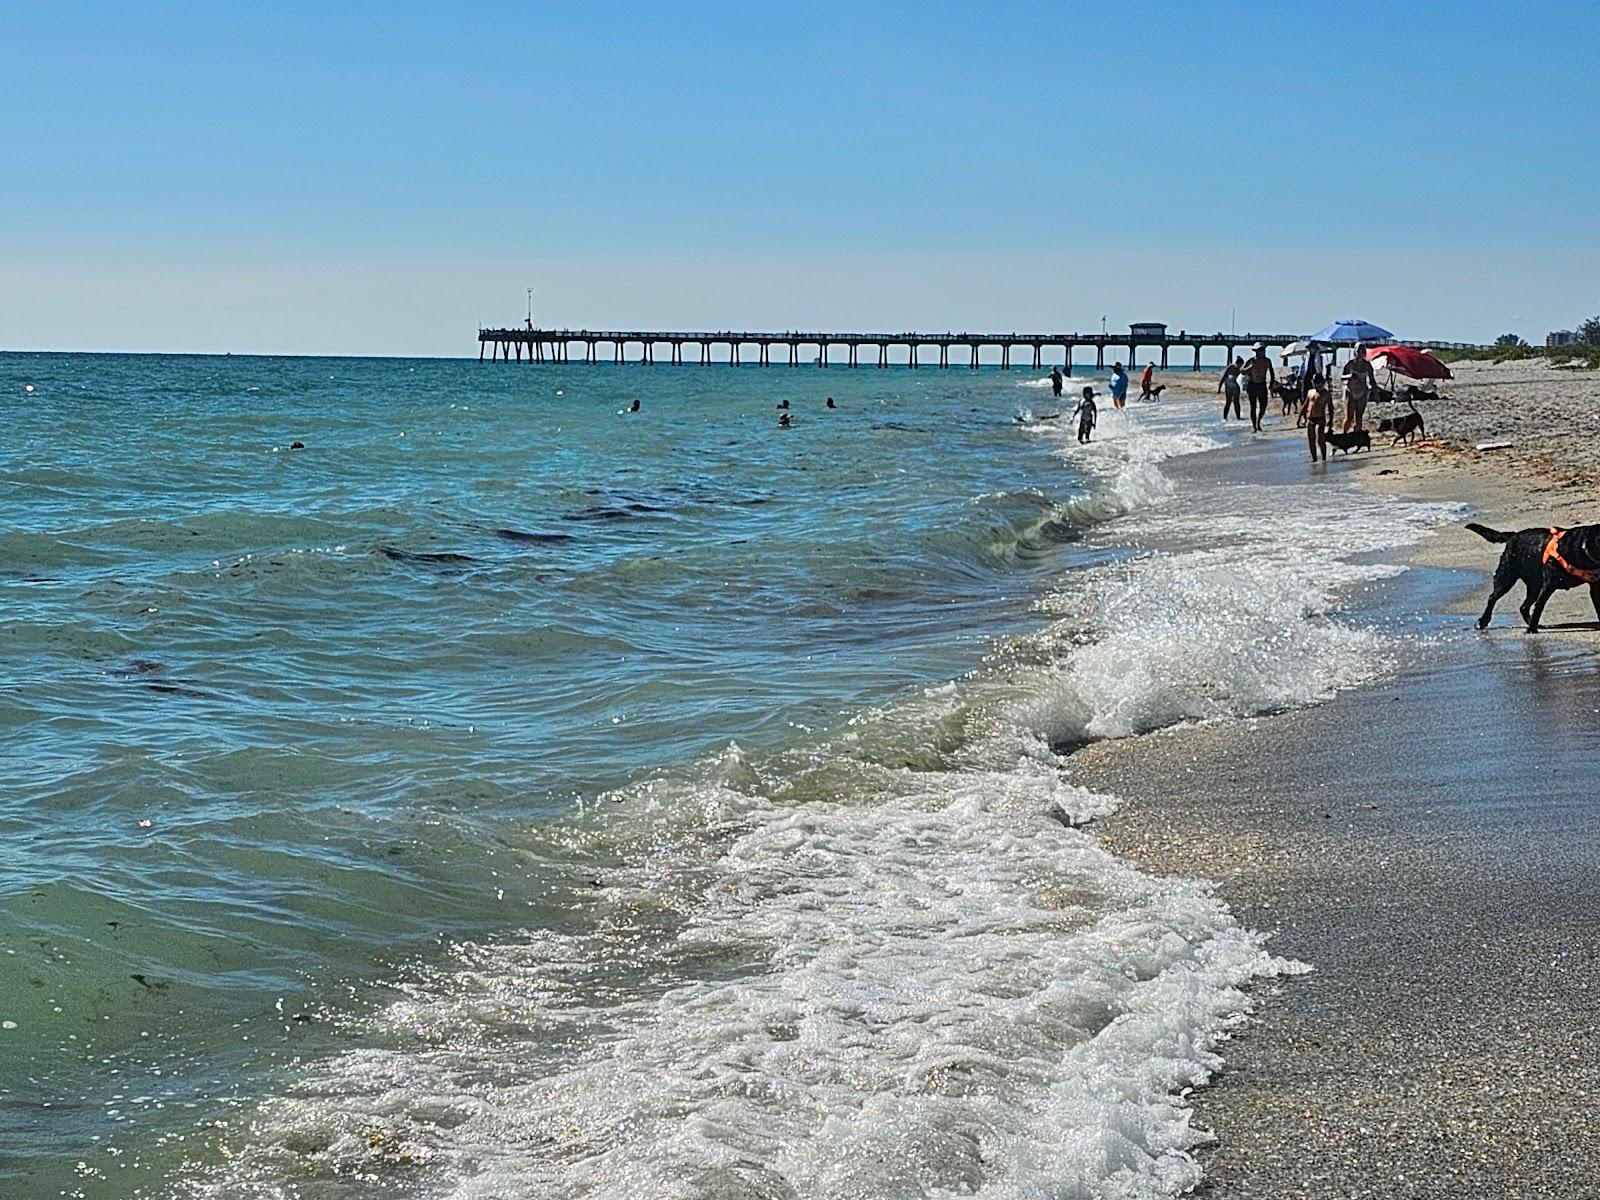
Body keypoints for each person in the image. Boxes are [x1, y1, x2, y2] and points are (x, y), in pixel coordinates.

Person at [1240, 343, 1275, 432]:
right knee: (1253, 407)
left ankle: (1258, 421)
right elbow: (1242, 371)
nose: (1263, 352)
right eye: (1261, 351)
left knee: (1263, 406)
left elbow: (1272, 373)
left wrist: (1271, 383)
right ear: (1256, 352)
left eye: (1263, 350)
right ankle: (1255, 426)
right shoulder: (1251, 360)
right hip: (1252, 385)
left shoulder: (1267, 361)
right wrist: (1250, 368)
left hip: (1262, 385)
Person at [1341, 344, 1377, 432]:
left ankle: (1357, 436)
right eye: (1358, 352)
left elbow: (1372, 380)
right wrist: (1350, 376)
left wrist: (1376, 393)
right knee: (1349, 417)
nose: (1360, 354)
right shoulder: (1350, 364)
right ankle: (1344, 435)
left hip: (1362, 392)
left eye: (1363, 352)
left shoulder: (1367, 365)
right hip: (1350, 391)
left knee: (1359, 417)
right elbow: (1342, 377)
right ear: (1355, 352)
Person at [1301, 371, 1332, 462]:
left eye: (1321, 383)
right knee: (1311, 440)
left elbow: (1331, 408)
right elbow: (1305, 405)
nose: (1319, 385)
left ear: (1324, 383)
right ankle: (1314, 459)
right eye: (1316, 383)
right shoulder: (1310, 392)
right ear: (1313, 383)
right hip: (1310, 418)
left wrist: (1331, 421)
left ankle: (1324, 458)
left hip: (1320, 419)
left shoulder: (1326, 394)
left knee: (1320, 440)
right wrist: (1300, 417)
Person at [1218, 357, 1243, 421]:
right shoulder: (1231, 367)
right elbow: (1223, 377)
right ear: (1237, 363)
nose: (1240, 366)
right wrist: (1219, 387)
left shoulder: (1240, 369)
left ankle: (1238, 417)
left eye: (1241, 365)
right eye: (1239, 365)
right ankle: (1225, 418)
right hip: (1228, 387)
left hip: (1235, 386)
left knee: (1236, 402)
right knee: (1228, 402)